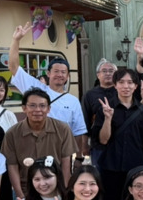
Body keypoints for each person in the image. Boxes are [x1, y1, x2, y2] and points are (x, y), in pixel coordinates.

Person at [9, 23, 88, 160]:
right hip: (35, 147)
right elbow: (14, 66)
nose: (60, 75)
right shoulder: (36, 88)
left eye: (63, 72)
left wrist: (78, 158)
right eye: (56, 71)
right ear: (48, 73)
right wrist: (16, 40)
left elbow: (78, 132)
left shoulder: (73, 101)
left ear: (68, 76)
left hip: (62, 152)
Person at [90, 68, 143, 200]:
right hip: (110, 166)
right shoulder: (105, 109)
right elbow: (103, 140)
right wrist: (108, 119)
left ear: (136, 86)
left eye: (130, 82)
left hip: (135, 167)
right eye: (121, 82)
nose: (126, 86)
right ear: (115, 85)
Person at [2, 88, 75, 198]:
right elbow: (12, 166)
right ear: (24, 108)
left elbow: (66, 164)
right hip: (26, 188)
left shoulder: (62, 129)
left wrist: (64, 193)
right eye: (32, 106)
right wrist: (20, 196)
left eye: (42, 106)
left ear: (49, 109)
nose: (37, 110)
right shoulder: (12, 133)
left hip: (55, 188)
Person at [81, 59, 117, 169]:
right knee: (99, 177)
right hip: (98, 145)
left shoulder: (122, 92)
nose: (108, 74)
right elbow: (85, 121)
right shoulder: (90, 95)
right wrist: (84, 145)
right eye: (104, 71)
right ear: (98, 75)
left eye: (111, 71)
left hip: (119, 142)